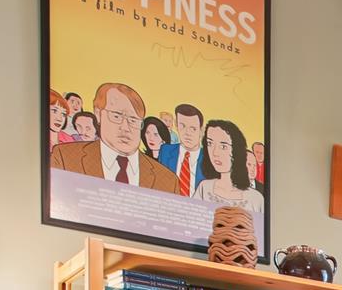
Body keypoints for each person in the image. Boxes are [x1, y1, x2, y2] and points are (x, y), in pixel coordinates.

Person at [48, 83, 180, 191]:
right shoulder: (65, 157)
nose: (125, 127)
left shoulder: (168, 180)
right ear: (98, 114)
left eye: (133, 120)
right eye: (117, 116)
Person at [191, 119, 263, 213]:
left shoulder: (256, 199)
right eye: (210, 143)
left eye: (223, 146)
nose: (215, 153)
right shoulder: (204, 187)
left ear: (236, 150)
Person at [155, 103, 205, 195]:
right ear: (176, 126)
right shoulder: (165, 151)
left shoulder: (209, 159)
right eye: (182, 126)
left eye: (193, 128)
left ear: (201, 131)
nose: (187, 133)